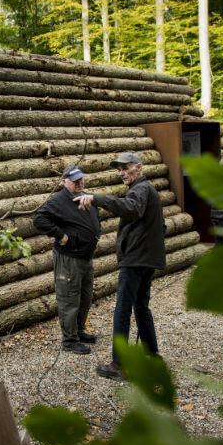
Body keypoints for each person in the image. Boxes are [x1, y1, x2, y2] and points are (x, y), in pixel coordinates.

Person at [74, 152, 165, 380]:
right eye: (119, 169)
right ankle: (152, 355)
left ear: (139, 168)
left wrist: (96, 198)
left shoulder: (141, 190)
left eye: (126, 168)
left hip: (136, 260)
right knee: (141, 307)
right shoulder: (145, 190)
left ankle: (119, 365)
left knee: (123, 309)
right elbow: (160, 225)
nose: (122, 173)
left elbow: (130, 208)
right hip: (144, 258)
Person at [33, 165, 101, 355]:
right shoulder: (58, 200)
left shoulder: (85, 196)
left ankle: (79, 331)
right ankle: (69, 340)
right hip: (69, 258)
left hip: (86, 256)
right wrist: (61, 235)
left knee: (85, 297)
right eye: (75, 181)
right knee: (69, 299)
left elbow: (95, 216)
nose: (80, 183)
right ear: (65, 182)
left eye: (81, 180)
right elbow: (39, 219)